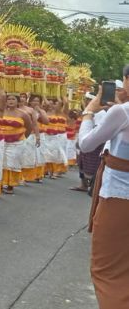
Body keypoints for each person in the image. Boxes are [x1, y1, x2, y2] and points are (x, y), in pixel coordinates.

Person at [79, 65, 129, 309]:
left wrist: (89, 112)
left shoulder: (123, 112)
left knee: (108, 270)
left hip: (120, 199)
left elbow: (87, 144)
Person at [0, 94, 32, 194]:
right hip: (2, 141)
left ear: (17, 101)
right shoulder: (1, 112)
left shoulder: (23, 114)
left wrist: (21, 137)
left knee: (13, 163)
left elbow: (29, 127)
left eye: (13, 99)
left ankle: (11, 185)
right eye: (9, 99)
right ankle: (0, 183)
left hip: (17, 143)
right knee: (1, 162)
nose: (11, 101)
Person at [21, 94, 47, 182]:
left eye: (37, 101)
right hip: (22, 134)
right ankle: (21, 176)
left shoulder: (40, 111)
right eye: (34, 100)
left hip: (33, 135)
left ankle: (34, 175)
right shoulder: (25, 109)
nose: (35, 102)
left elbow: (45, 122)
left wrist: (37, 136)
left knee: (34, 156)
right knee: (23, 155)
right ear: (30, 101)